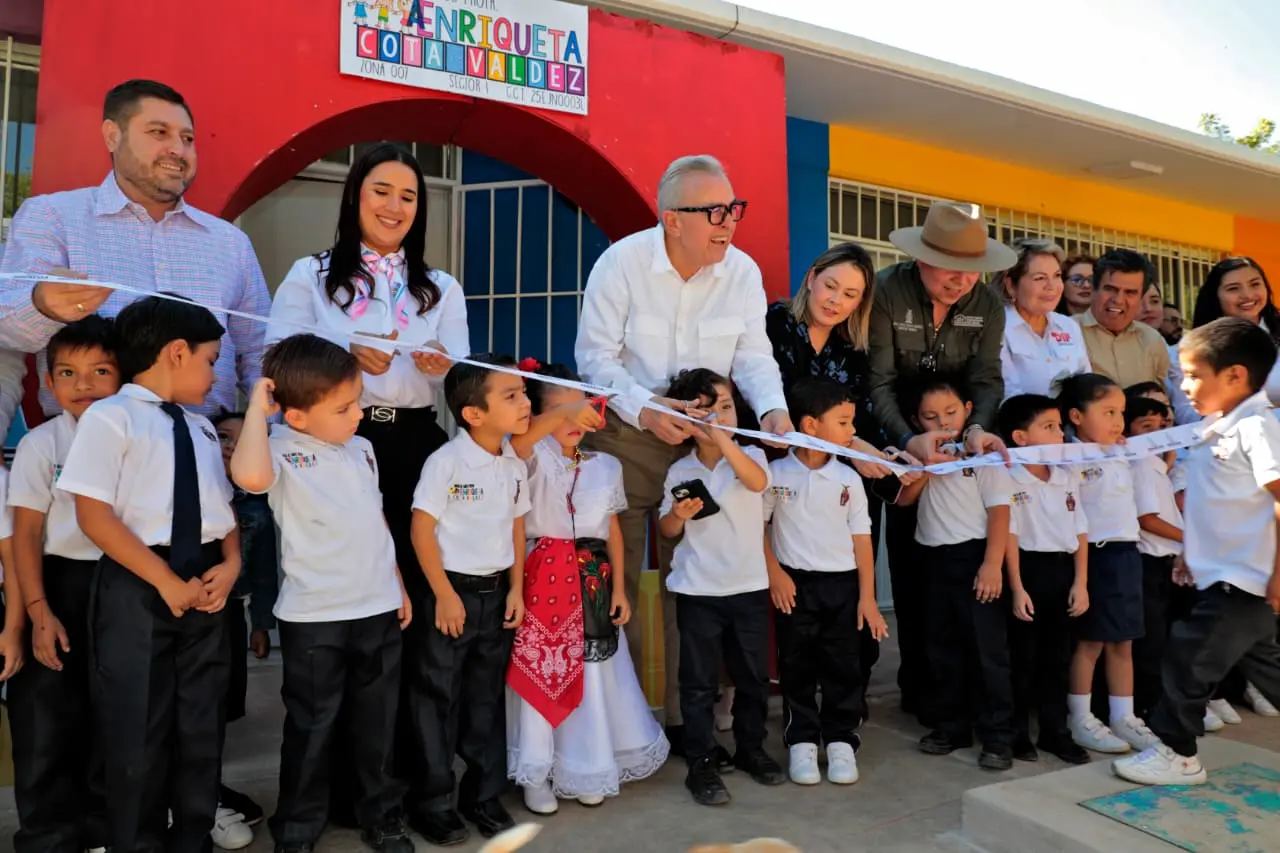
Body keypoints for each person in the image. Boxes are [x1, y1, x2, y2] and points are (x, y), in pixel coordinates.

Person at [264, 142, 467, 821]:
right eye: (382, 190)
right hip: (336, 443)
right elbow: (277, 356)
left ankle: (406, 784)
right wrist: (341, 354)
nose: (394, 206)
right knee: (347, 616)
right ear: (355, 195)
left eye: (408, 195)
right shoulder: (312, 275)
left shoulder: (439, 287)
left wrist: (442, 367)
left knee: (409, 618)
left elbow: (459, 379)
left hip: (413, 444)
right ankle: (335, 795)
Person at [574, 155, 792, 744]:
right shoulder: (620, 264)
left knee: (695, 583)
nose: (729, 223)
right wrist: (645, 407)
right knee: (615, 580)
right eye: (714, 212)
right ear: (673, 220)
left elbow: (752, 355)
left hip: (707, 443)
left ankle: (681, 721)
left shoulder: (741, 272)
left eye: (733, 210)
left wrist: (771, 409)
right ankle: (615, 724)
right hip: (629, 434)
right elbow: (595, 359)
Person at [57, 295, 239, 853]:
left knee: (200, 728)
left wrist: (230, 565)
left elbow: (222, 511)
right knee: (137, 729)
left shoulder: (203, 428)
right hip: (139, 586)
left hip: (206, 587)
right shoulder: (112, 417)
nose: (215, 374)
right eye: (211, 360)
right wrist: (163, 580)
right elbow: (93, 514)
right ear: (177, 352)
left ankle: (192, 838)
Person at [229, 334, 413, 853]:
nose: (358, 414)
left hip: (376, 606)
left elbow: (375, 522)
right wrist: (257, 414)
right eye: (344, 407)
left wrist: (396, 583)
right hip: (315, 617)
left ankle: (379, 813)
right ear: (297, 415)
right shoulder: (279, 449)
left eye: (358, 401)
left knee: (377, 722)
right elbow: (248, 475)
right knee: (313, 724)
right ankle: (299, 827)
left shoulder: (363, 449)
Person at [0, 79, 269, 427]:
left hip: (208, 454)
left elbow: (262, 354)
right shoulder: (54, 217)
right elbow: (6, 333)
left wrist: (261, 431)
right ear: (113, 136)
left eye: (187, 139)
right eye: (159, 132)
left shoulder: (231, 243)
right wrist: (43, 305)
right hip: (83, 452)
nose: (178, 149)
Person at [1113, 318, 1280, 786]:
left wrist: (1277, 576)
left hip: (1249, 577)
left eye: (1193, 374)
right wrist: (1193, 554)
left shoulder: (1257, 426)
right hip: (1226, 573)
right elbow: (1216, 503)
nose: (1182, 386)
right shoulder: (1216, 429)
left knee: (1187, 657)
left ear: (1235, 376)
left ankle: (1177, 753)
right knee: (1267, 667)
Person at [867, 200, 1013, 720]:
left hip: (959, 447)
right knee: (901, 567)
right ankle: (915, 689)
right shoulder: (886, 290)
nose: (961, 281)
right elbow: (878, 380)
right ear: (921, 259)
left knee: (959, 565)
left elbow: (987, 379)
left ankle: (963, 693)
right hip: (892, 441)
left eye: (972, 271)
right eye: (950, 269)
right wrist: (909, 439)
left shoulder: (989, 304)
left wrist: (975, 428)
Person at [505, 359, 668, 815]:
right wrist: (558, 415)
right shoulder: (530, 457)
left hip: (592, 580)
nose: (574, 418)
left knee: (593, 675)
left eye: (581, 406)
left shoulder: (606, 466)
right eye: (560, 410)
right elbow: (519, 444)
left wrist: (618, 589)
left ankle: (586, 764)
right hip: (543, 580)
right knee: (545, 668)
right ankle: (538, 770)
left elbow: (612, 529)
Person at [764, 241, 899, 721]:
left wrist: (874, 450)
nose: (836, 300)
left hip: (840, 476)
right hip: (777, 471)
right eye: (831, 286)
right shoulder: (774, 324)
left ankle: (849, 698)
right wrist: (857, 447)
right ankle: (794, 709)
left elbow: (857, 417)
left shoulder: (854, 348)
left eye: (851, 295)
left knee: (850, 586)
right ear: (810, 278)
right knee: (788, 597)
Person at [408, 354, 530, 846]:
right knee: (436, 699)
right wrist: (442, 595)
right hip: (451, 595)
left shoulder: (512, 460)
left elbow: (518, 526)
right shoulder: (446, 462)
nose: (525, 403)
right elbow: (421, 529)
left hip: (496, 593)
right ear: (472, 414)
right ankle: (433, 802)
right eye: (512, 396)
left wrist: (517, 587)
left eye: (524, 392)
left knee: (485, 698)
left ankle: (482, 795)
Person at [6, 316, 117, 853]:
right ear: (48, 384)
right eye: (68, 373)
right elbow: (24, 533)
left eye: (101, 370)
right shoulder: (42, 445)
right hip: (54, 582)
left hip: (122, 583)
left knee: (113, 707)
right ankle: (48, 833)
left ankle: (104, 825)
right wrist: (36, 608)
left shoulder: (137, 439)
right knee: (46, 709)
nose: (84, 384)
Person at [657, 368, 783, 806]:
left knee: (752, 677)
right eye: (705, 413)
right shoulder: (680, 470)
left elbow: (758, 483)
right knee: (697, 682)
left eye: (725, 408)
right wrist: (680, 514)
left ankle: (751, 749)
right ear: (685, 420)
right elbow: (668, 529)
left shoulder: (752, 457)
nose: (717, 418)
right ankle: (702, 761)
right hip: (697, 590)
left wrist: (725, 439)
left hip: (748, 586)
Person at [764, 378, 888, 787]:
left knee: (843, 665)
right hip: (793, 587)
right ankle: (801, 742)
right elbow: (758, 527)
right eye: (844, 421)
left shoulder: (849, 479)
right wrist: (775, 573)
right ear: (811, 425)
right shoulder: (775, 473)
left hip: (843, 586)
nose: (852, 431)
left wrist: (867, 599)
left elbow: (863, 542)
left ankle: (839, 740)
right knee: (797, 665)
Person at [896, 378, 1015, 771]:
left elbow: (1000, 511)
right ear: (917, 421)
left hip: (974, 558)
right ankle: (951, 726)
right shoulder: (917, 454)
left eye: (950, 413)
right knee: (941, 647)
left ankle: (997, 735)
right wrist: (926, 468)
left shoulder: (982, 454)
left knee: (986, 650)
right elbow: (904, 500)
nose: (942, 422)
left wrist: (991, 564)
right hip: (931, 558)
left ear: (967, 410)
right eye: (930, 417)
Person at [1058, 373, 1157, 755]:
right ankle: (1080, 716)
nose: (1118, 421)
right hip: (1095, 555)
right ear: (1077, 416)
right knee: (1090, 641)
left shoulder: (1121, 451)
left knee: (1124, 640)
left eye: (1121, 412)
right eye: (1108, 412)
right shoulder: (1067, 456)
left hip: (1127, 552)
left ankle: (1123, 716)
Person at [995, 394, 1090, 765]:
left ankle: (1056, 732)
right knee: (1022, 658)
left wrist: (1080, 582)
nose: (1060, 434)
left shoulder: (1067, 476)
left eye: (1059, 427)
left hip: (1062, 571)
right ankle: (1017, 732)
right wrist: (1017, 588)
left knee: (1058, 658)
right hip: (1027, 571)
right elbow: (1011, 537)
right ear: (1020, 438)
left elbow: (1079, 529)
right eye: (1048, 427)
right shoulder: (1009, 477)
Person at [209, 410, 278, 842]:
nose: (231, 446)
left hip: (234, 610)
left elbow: (265, 570)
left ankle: (207, 788)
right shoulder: (197, 485)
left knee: (221, 704)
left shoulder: (259, 501)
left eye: (242, 438)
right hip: (194, 605)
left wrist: (262, 624)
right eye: (222, 437)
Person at [1124, 396, 1183, 722]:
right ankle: (1149, 709)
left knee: (1160, 640)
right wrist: (1191, 539)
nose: (1158, 433)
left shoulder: (1155, 464)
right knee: (1152, 643)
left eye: (1164, 427)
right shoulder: (1143, 464)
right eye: (1147, 427)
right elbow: (1149, 519)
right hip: (1150, 563)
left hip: (1162, 563)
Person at [1168, 257, 1280, 424]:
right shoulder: (1188, 351)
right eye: (1233, 288)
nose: (1247, 295)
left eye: (1255, 284)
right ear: (1215, 296)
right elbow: (1187, 414)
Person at [990, 239, 1091, 399]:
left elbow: (1086, 385)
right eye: (1039, 278)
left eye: (1057, 276)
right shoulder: (997, 327)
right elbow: (1009, 394)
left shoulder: (1068, 326)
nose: (1052, 286)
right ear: (1010, 285)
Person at [1077, 249, 1169, 388]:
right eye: (1110, 289)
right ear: (1093, 289)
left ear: (1140, 298)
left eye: (1130, 292)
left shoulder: (1152, 340)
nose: (1118, 300)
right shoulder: (1067, 333)